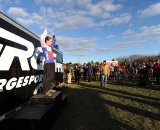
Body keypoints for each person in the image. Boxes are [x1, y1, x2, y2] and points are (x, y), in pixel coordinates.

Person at [40, 28, 57, 96]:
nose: (51, 42)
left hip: (52, 63)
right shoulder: (44, 46)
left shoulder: (50, 47)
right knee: (47, 77)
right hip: (47, 64)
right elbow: (41, 38)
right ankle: (45, 91)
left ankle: (49, 89)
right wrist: (45, 32)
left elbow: (54, 42)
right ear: (47, 40)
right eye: (50, 41)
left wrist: (54, 36)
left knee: (52, 77)